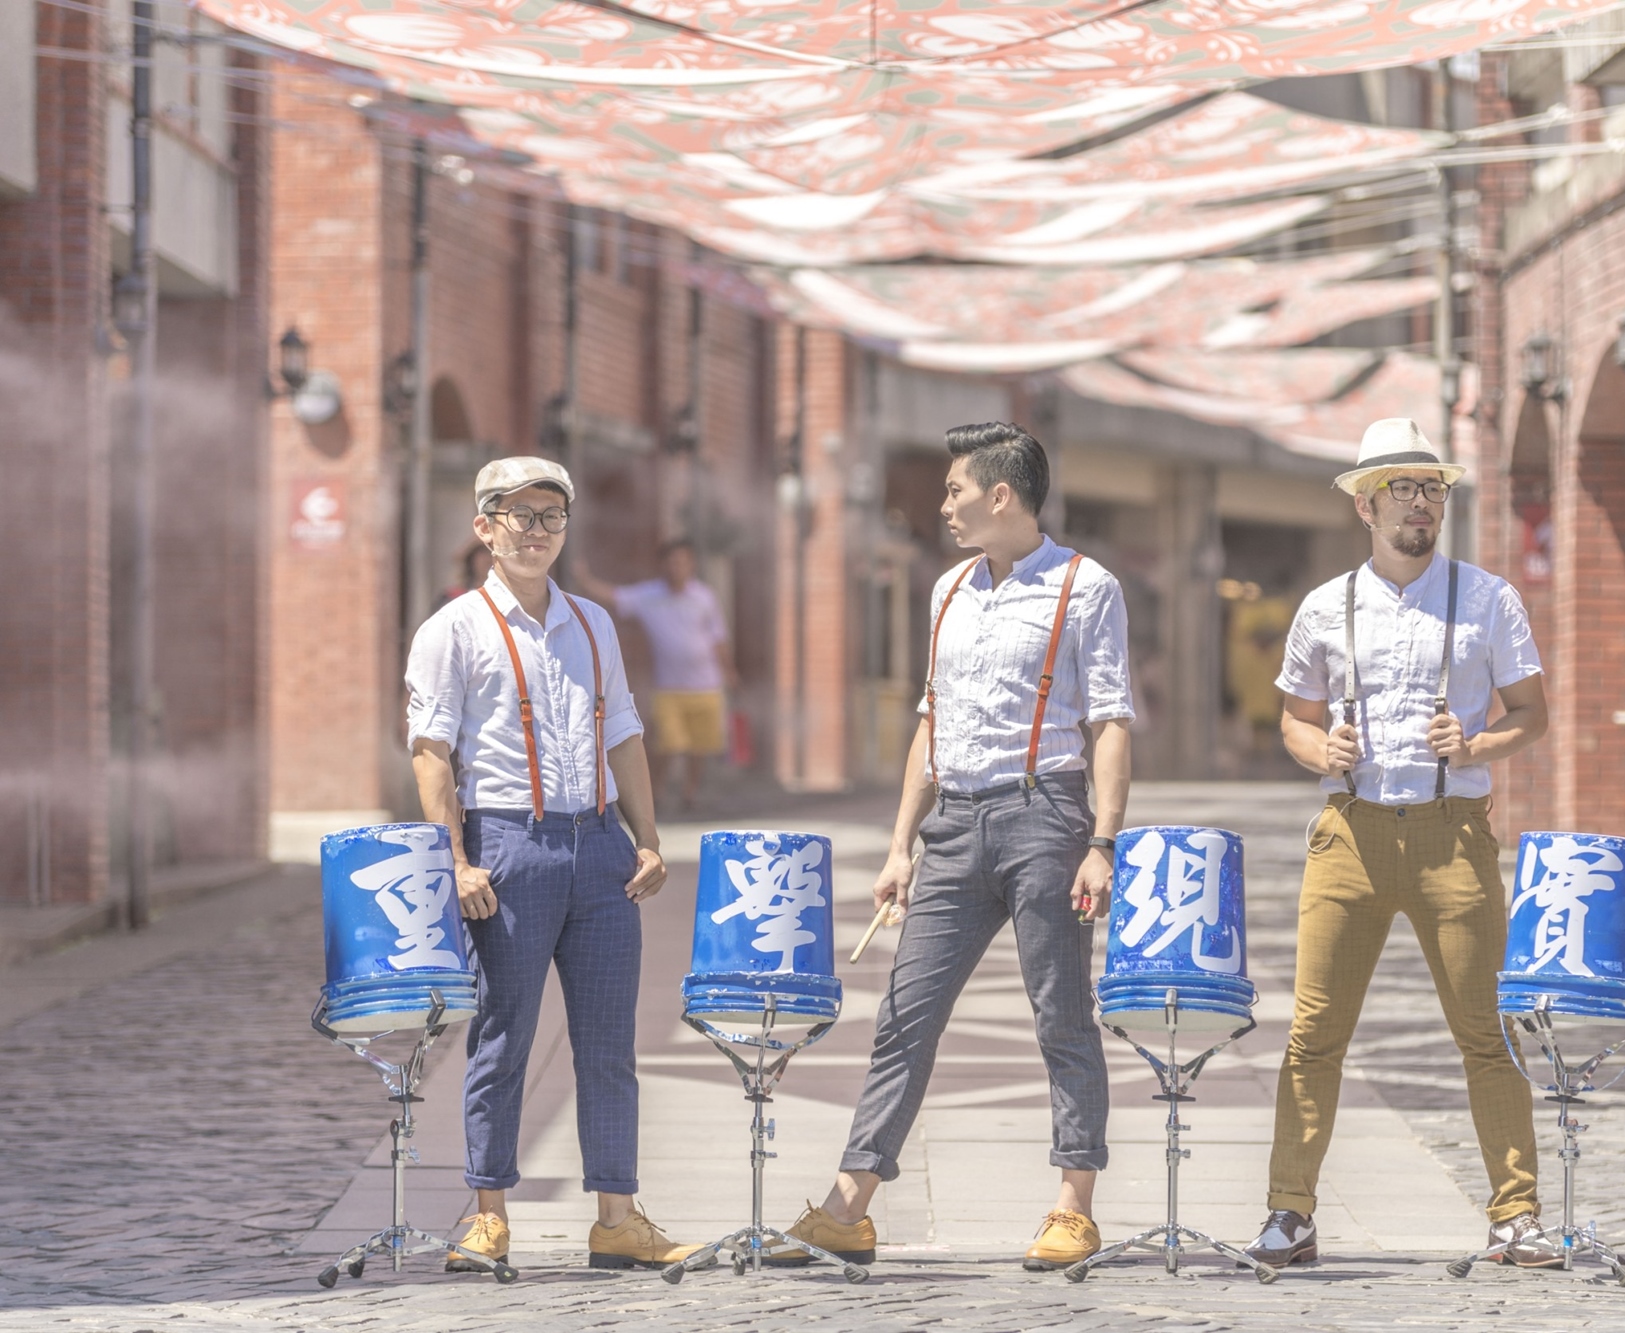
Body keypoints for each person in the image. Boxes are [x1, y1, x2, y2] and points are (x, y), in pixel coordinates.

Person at [770, 422, 1135, 1272]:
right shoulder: (948, 589)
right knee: (905, 1012)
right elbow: (931, 722)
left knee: (1061, 1014)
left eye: (954, 490)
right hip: (954, 825)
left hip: (1046, 816)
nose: (943, 505)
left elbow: (1111, 720)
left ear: (1000, 495)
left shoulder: (1086, 586)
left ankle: (1074, 1206)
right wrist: (900, 845)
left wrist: (1103, 843)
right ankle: (849, 1207)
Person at [1244, 419, 1556, 1270]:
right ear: (1366, 505)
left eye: (1433, 488)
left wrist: (1477, 743)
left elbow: (1532, 713)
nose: (1422, 503)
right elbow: (1294, 720)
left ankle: (1516, 1215)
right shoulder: (1324, 606)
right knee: (1314, 1031)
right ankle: (1290, 1213)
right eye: (1403, 489)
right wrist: (1322, 750)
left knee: (1487, 1032)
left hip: (1455, 835)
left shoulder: (1489, 598)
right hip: (1351, 833)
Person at [405, 456, 692, 1273]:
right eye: (519, 515)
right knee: (504, 1035)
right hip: (507, 845)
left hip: (598, 846)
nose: (536, 531)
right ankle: (488, 1215)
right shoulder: (452, 629)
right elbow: (431, 751)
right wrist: (456, 860)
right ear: (484, 527)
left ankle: (617, 1216)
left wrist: (647, 838)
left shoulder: (594, 623)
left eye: (551, 516)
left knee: (609, 1042)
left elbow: (623, 731)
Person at [572, 540, 735, 813]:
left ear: (691, 565)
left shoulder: (704, 597)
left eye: (682, 561)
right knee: (668, 745)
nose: (676, 567)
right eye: (672, 562)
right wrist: (584, 578)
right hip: (668, 686)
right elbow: (614, 596)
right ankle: (656, 793)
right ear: (662, 565)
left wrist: (729, 671)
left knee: (699, 746)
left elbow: (718, 637)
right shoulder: (649, 596)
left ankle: (690, 793)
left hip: (706, 684)